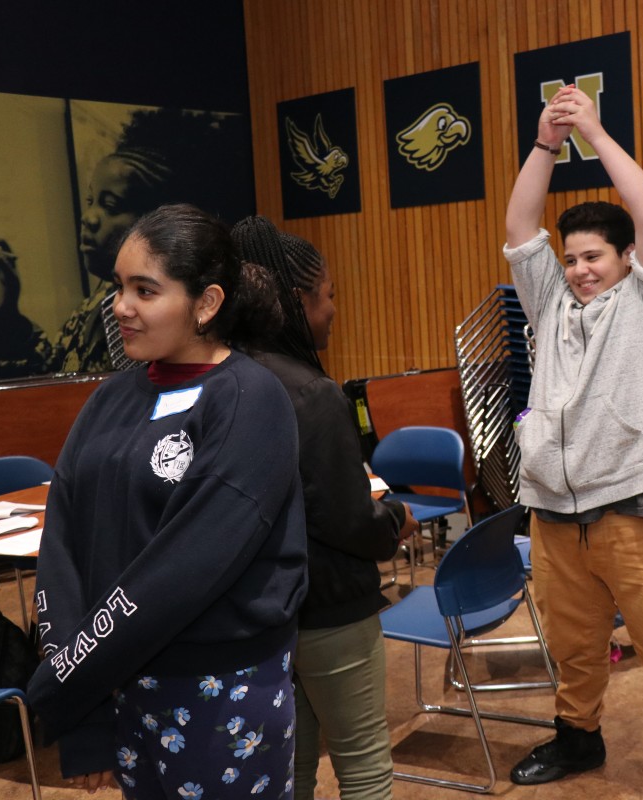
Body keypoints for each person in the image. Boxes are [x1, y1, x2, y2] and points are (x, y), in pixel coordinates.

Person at [26, 203, 307, 799]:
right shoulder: (109, 399)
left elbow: (183, 569)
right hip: (113, 681)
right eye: (120, 287)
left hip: (218, 691)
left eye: (144, 290)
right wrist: (79, 701)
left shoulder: (251, 401)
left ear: (206, 304)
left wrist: (66, 682)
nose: (121, 307)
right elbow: (63, 540)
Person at [503, 86, 643, 800]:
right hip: (553, 510)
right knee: (573, 649)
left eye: (593, 256)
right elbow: (518, 224)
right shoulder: (549, 302)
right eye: (571, 258)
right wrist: (545, 143)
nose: (578, 268)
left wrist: (596, 134)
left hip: (639, 506)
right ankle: (579, 737)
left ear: (628, 258)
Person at [232, 214, 417, 800]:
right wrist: (395, 522)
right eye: (327, 295)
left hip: (262, 614)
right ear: (295, 301)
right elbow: (348, 522)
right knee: (363, 765)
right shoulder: (313, 394)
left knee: (292, 770)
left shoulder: (225, 380)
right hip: (331, 608)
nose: (334, 308)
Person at [0, 108, 251, 380]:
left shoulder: (233, 380)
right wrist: (6, 318)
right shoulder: (98, 303)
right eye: (90, 201)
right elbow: (57, 377)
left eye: (110, 205)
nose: (89, 218)